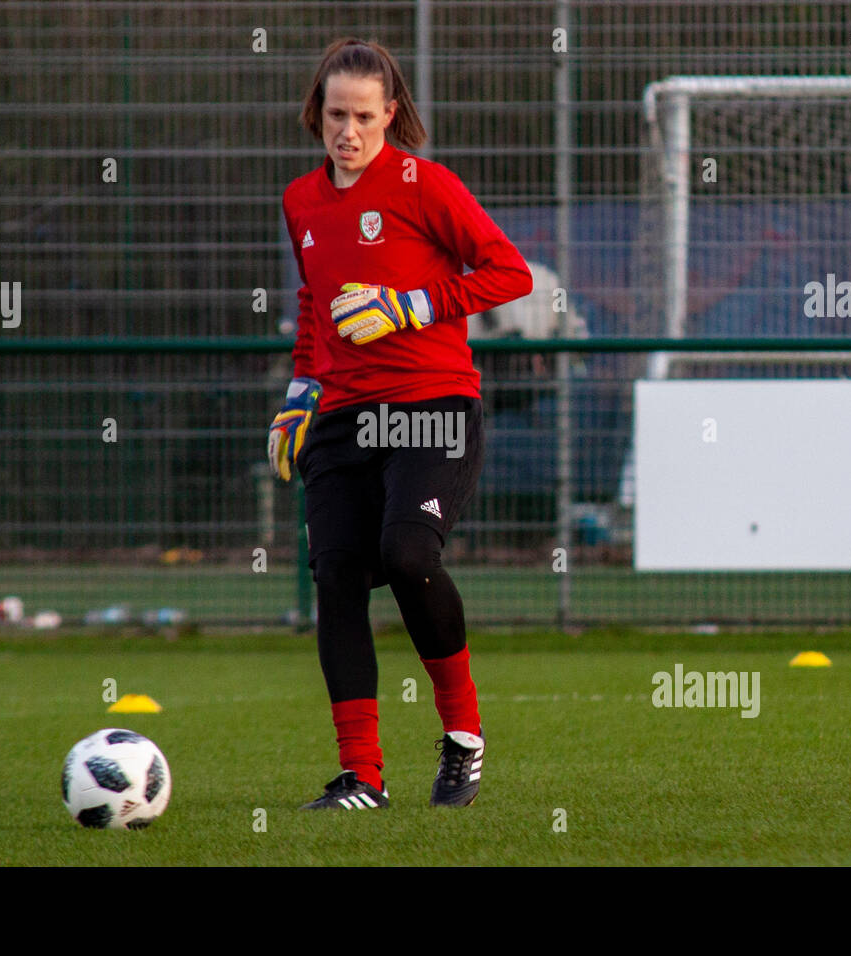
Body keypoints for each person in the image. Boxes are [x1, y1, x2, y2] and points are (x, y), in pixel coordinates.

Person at [269, 37, 532, 809]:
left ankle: (463, 739)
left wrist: (409, 306)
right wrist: (298, 391)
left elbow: (507, 270)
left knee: (408, 550)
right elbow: (316, 306)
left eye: (363, 116)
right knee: (337, 576)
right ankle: (362, 776)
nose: (347, 131)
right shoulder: (300, 200)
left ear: (391, 115)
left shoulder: (426, 186)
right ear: (317, 113)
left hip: (432, 403)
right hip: (342, 418)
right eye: (335, 114)